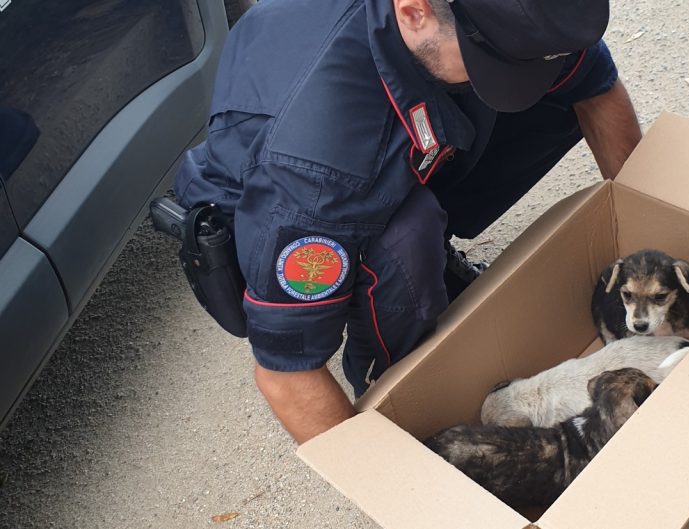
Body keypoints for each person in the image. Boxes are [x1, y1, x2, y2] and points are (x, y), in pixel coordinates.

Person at [173, 0, 642, 444]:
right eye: (494, 61)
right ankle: (393, 376)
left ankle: (433, 238)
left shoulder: (492, 20)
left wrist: (645, 232)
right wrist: (400, 490)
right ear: (414, 12)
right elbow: (285, 373)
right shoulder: (315, 173)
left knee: (546, 97)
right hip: (274, 200)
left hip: (392, 110)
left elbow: (593, 86)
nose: (520, 75)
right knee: (405, 242)